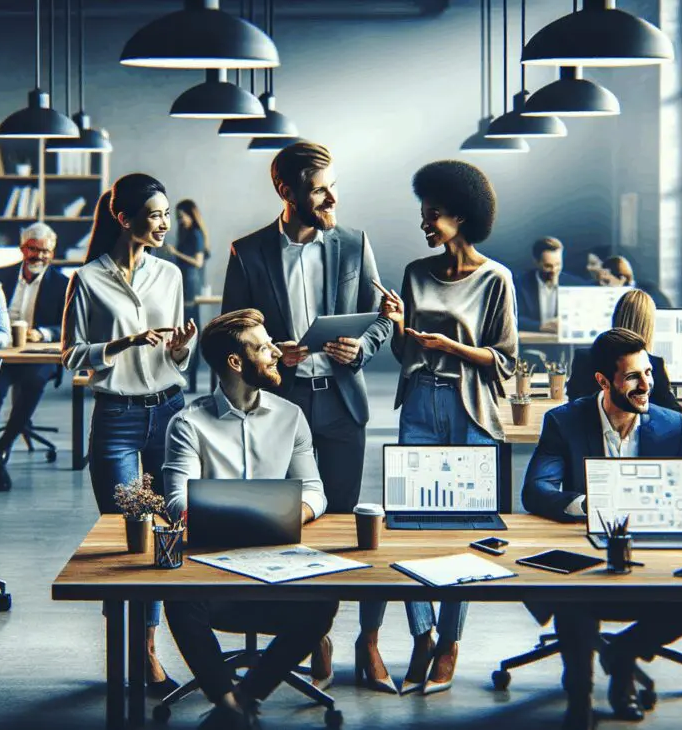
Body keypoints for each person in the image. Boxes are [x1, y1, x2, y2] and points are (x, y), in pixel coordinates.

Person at [222, 142, 393, 687]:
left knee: (344, 526)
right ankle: (312, 634)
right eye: (320, 189)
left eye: (333, 185)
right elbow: (227, 338)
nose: (332, 197)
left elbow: (384, 321)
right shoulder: (247, 252)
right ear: (286, 191)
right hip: (279, 407)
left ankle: (363, 640)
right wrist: (271, 350)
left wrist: (361, 348)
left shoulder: (354, 243)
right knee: (287, 524)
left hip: (342, 404)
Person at [357, 160, 518, 696]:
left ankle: (450, 643)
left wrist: (451, 347)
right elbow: (403, 351)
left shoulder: (497, 279)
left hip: (471, 408)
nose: (425, 223)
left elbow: (506, 361)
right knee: (407, 524)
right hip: (421, 404)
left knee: (464, 534)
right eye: (423, 214)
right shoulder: (415, 271)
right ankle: (423, 633)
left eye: (433, 214)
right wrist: (400, 325)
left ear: (461, 215)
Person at [521, 328, 682, 729]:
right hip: (592, 549)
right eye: (633, 376)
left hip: (654, 549)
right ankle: (580, 698)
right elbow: (536, 489)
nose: (647, 384)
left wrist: (680, 508)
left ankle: (623, 654)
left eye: (648, 373)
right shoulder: (565, 421)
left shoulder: (669, 425)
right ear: (603, 381)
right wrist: (589, 506)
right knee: (572, 596)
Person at [162, 309, 337, 729]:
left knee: (325, 600)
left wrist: (282, 513)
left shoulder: (290, 416)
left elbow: (314, 490)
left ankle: (244, 698)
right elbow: (175, 500)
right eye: (264, 348)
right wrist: (263, 513)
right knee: (177, 597)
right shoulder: (187, 423)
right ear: (236, 363)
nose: (277, 352)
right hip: (212, 570)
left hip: (278, 563)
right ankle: (227, 701)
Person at [61, 173, 196, 694]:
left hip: (169, 410)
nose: (163, 223)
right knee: (125, 534)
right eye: (154, 214)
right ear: (123, 218)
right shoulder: (87, 279)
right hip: (116, 417)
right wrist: (123, 342)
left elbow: (176, 354)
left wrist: (181, 347)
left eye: (165, 214)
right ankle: (138, 652)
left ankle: (153, 646)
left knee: (169, 528)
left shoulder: (171, 275)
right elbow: (71, 355)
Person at [0, 222, 70, 457]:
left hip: (39, 354)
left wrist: (43, 333)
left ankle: (2, 447)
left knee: (33, 382)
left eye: (45, 251)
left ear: (52, 253)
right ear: (22, 249)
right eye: (33, 249)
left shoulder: (63, 284)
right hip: (3, 351)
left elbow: (68, 326)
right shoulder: (0, 275)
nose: (39, 256)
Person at [565, 289, 681, 412]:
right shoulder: (653, 365)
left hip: (590, 429)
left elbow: (574, 401)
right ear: (649, 327)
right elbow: (675, 413)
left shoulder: (583, 358)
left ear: (615, 317)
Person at [166, 200, 209, 391]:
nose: (180, 220)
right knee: (183, 329)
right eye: (178, 216)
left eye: (182, 215)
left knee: (191, 329)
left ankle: (191, 376)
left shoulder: (196, 234)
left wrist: (175, 253)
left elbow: (198, 262)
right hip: (184, 283)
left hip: (191, 284)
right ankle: (185, 374)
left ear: (191, 214)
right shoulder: (185, 233)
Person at [515, 237, 584, 333]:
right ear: (536, 262)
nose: (554, 270)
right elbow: (513, 317)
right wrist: (541, 326)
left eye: (558, 264)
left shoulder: (575, 284)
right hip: (532, 343)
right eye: (548, 266)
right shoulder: (520, 284)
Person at [595, 254, 673, 309]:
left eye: (606, 281)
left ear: (622, 279)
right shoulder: (599, 295)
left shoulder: (650, 292)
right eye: (600, 280)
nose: (602, 285)